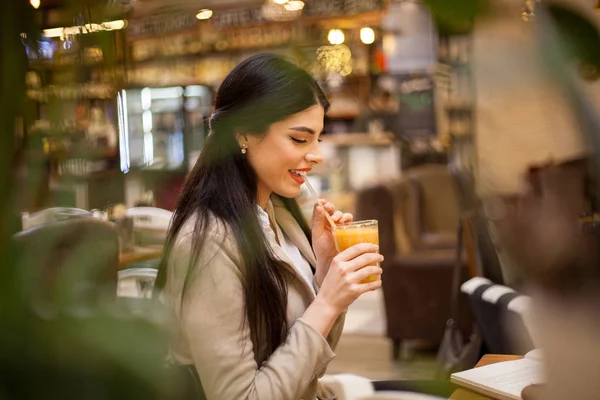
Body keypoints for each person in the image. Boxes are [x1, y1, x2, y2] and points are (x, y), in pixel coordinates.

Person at [154, 53, 383, 400]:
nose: (317, 154)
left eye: (317, 138)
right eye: (299, 139)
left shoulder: (281, 217)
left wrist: (324, 274)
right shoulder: (210, 242)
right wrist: (328, 303)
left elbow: (311, 364)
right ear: (243, 133)